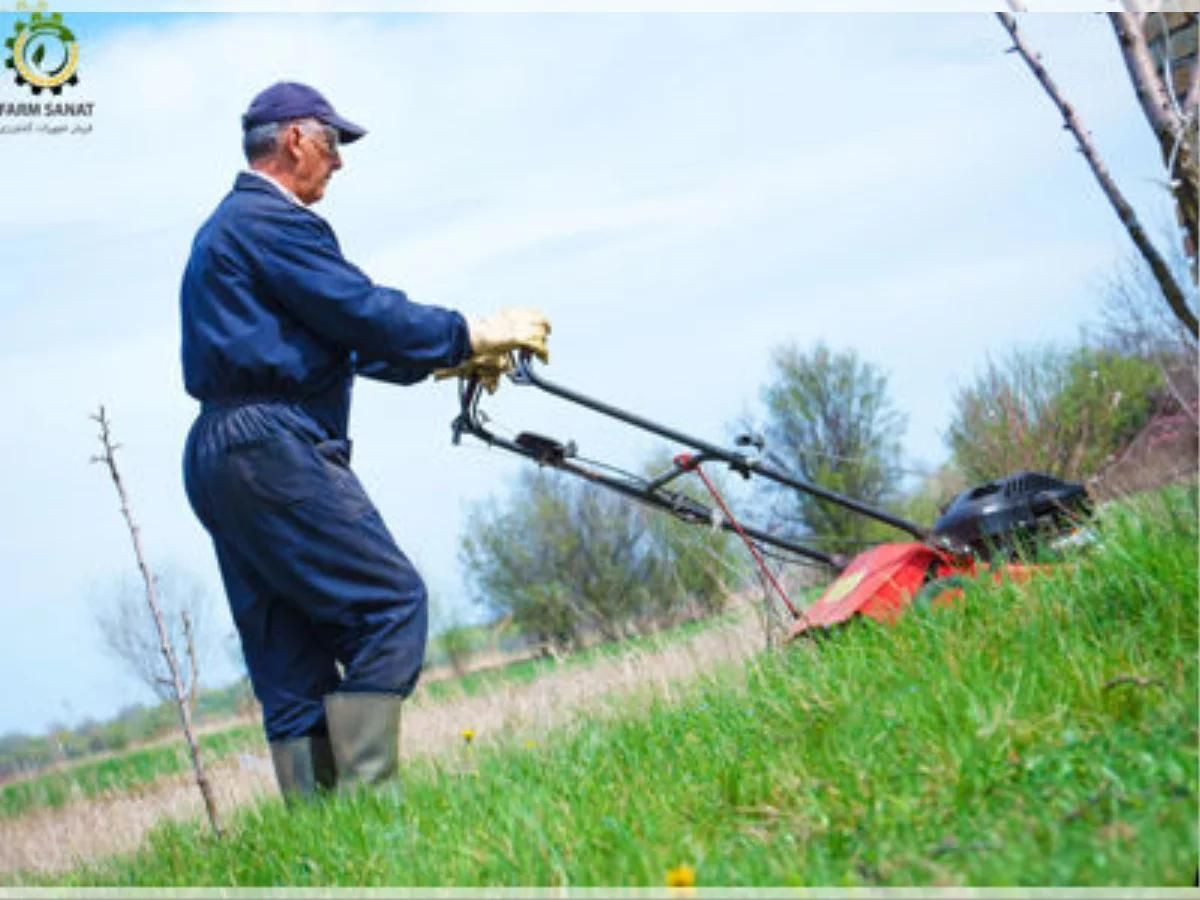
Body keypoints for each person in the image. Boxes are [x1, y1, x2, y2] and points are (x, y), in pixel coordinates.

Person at [180, 81, 549, 800]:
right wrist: (469, 330)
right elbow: (358, 310)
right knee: (392, 603)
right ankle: (367, 803)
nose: (340, 162)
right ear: (294, 139)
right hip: (269, 445)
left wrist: (452, 359)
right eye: (333, 142)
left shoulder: (227, 230)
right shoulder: (270, 221)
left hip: (221, 452)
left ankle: (324, 844)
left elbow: (334, 340)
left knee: (290, 653)